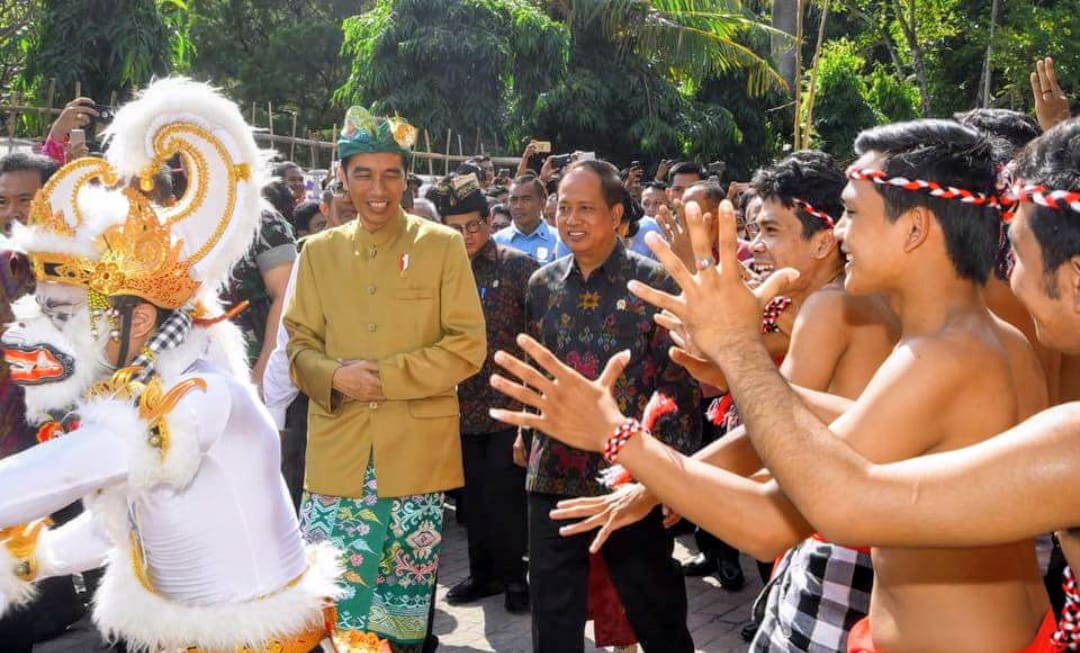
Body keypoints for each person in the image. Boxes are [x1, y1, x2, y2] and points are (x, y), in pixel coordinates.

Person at [491, 120, 1052, 653]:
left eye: (853, 215)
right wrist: (737, 369)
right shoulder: (994, 340)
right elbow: (844, 424)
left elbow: (767, 523)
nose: (840, 232)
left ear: (915, 228)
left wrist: (614, 433)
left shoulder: (942, 357)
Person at [0, 78, 342, 652]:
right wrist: (33, 560)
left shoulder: (197, 392)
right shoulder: (137, 386)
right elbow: (123, 525)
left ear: (137, 323)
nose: (44, 330)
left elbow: (74, 469)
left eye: (64, 315)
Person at [552, 151, 900, 653]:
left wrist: (653, 481)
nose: (755, 247)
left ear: (823, 241)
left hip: (838, 542)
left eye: (771, 231)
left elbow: (771, 432)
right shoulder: (835, 301)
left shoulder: (831, 306)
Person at [285, 106, 486, 651]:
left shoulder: (441, 246)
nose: (378, 188)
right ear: (342, 178)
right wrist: (334, 377)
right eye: (364, 174)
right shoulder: (318, 252)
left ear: (406, 178)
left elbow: (468, 346)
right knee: (327, 609)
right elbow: (297, 347)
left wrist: (385, 377)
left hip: (414, 458)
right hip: (337, 457)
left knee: (400, 615)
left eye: (391, 174)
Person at [518, 159, 700, 653]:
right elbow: (538, 372)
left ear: (617, 214)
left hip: (631, 478)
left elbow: (679, 386)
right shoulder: (542, 286)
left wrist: (670, 481)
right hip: (552, 472)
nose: (571, 220)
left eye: (586, 209)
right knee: (553, 616)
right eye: (564, 208)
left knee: (654, 607)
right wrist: (525, 435)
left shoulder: (654, 284)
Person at [429, 172, 536, 614]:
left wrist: (530, 409)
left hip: (507, 406)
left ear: (490, 220)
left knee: (507, 498)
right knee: (472, 500)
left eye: (474, 225)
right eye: (455, 228)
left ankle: (514, 576)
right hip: (455, 407)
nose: (466, 235)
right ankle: (483, 574)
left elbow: (535, 341)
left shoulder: (517, 267)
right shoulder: (435, 270)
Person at [493, 175, 565, 264]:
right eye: (514, 200)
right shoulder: (496, 242)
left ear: (542, 202)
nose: (518, 206)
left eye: (526, 199)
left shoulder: (560, 240)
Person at [628, 181, 667, 259]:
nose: (650, 209)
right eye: (646, 204)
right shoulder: (631, 230)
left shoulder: (676, 235)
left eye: (657, 203)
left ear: (669, 205)